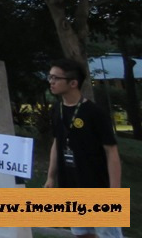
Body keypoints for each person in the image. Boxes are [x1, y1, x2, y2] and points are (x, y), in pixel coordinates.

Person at [44, 58, 123, 238]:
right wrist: (51, 177)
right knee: (82, 233)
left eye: (56, 78)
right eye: (50, 77)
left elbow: (111, 151)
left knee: (107, 234)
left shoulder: (95, 113)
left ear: (73, 83)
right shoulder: (57, 110)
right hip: (71, 184)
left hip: (97, 186)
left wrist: (115, 189)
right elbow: (57, 142)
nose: (51, 82)